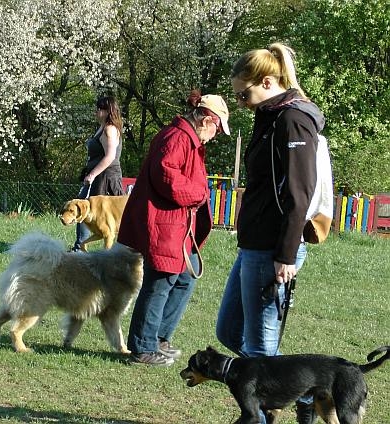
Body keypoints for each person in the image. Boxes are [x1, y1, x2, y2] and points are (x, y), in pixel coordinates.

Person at [215, 43, 325, 424]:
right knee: (229, 330)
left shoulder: (294, 120)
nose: (242, 103)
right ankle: (298, 394)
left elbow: (300, 192)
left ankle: (268, 411)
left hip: (272, 250)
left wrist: (286, 254)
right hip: (253, 245)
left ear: (268, 81)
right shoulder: (269, 115)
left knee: (259, 349)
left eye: (244, 94)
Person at [118, 93, 230, 366]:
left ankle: (158, 339)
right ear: (206, 120)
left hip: (176, 225)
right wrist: (198, 193)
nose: (215, 135)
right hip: (164, 223)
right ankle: (143, 348)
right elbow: (165, 175)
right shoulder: (177, 138)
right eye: (217, 128)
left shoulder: (187, 139)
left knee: (184, 279)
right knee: (160, 283)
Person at [71, 95, 125, 252]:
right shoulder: (102, 127)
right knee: (84, 208)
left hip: (107, 178)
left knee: (90, 210)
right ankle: (80, 246)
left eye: (100, 109)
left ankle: (84, 248)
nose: (96, 112)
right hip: (97, 176)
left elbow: (110, 157)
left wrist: (92, 174)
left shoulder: (110, 129)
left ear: (108, 111)